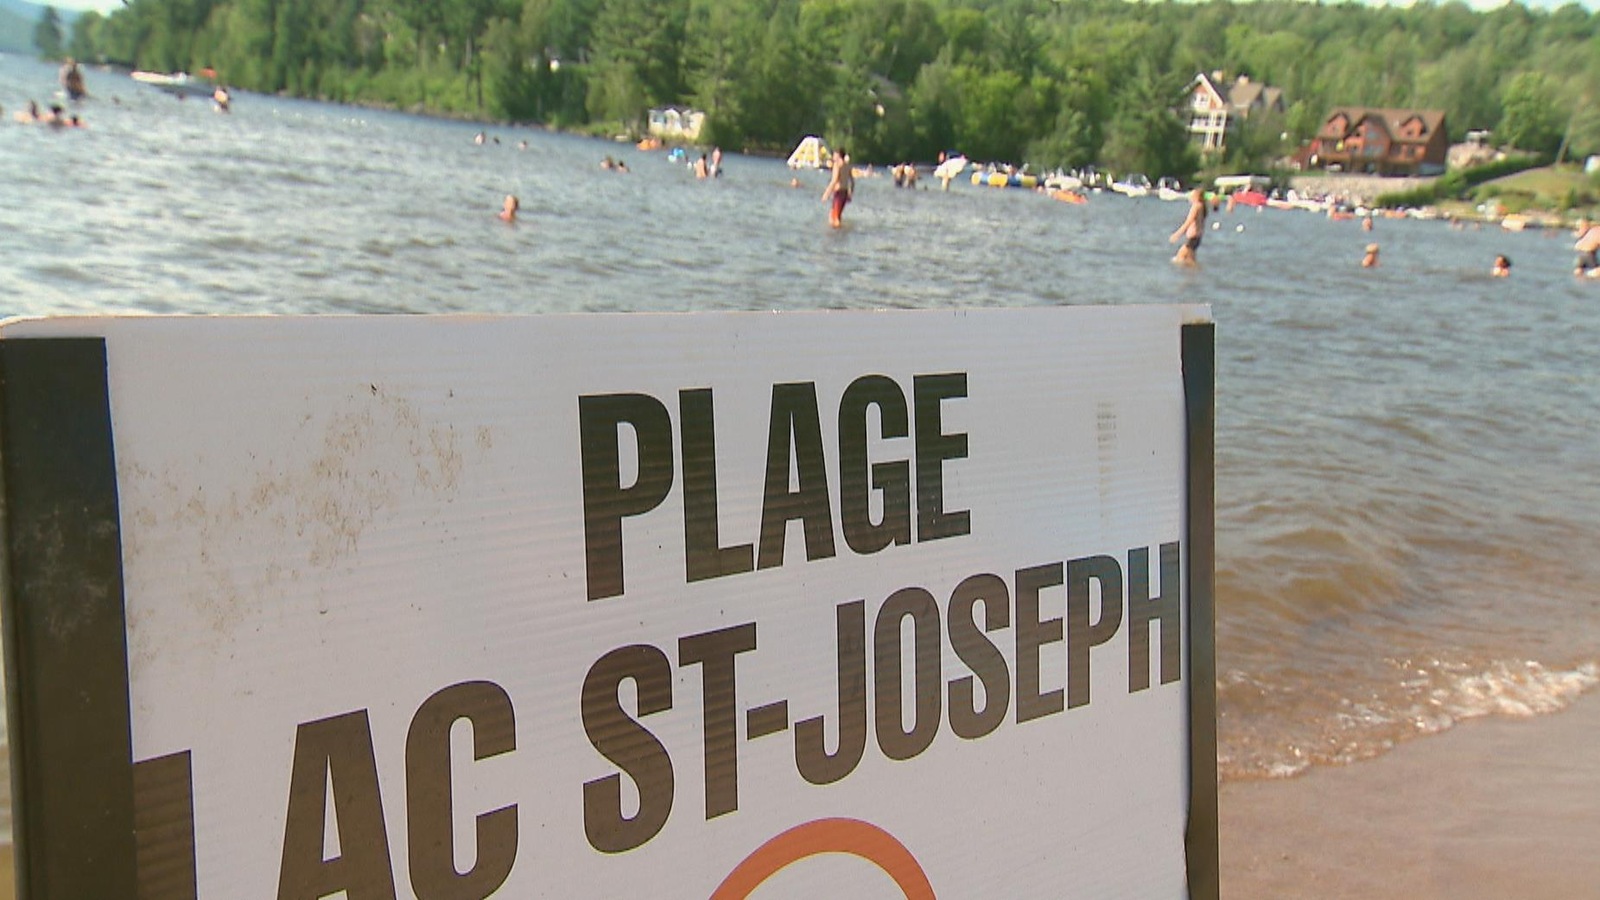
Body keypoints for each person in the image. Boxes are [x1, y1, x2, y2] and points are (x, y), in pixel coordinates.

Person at [1169, 188, 1207, 266]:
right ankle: (1195, 276)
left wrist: (1176, 235)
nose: (1190, 197)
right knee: (1190, 260)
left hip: (1193, 237)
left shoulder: (1196, 206)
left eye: (1191, 196)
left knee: (1179, 258)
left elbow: (1188, 222)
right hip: (1197, 237)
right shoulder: (1201, 206)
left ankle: (1196, 274)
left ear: (1196, 197)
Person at [822, 148, 854, 229]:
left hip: (838, 193)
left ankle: (838, 235)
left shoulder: (837, 166)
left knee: (836, 218)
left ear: (839, 156)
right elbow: (852, 182)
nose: (833, 156)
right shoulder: (847, 166)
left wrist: (826, 193)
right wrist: (850, 194)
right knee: (834, 215)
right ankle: (837, 234)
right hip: (845, 192)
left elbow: (834, 181)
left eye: (834, 155)